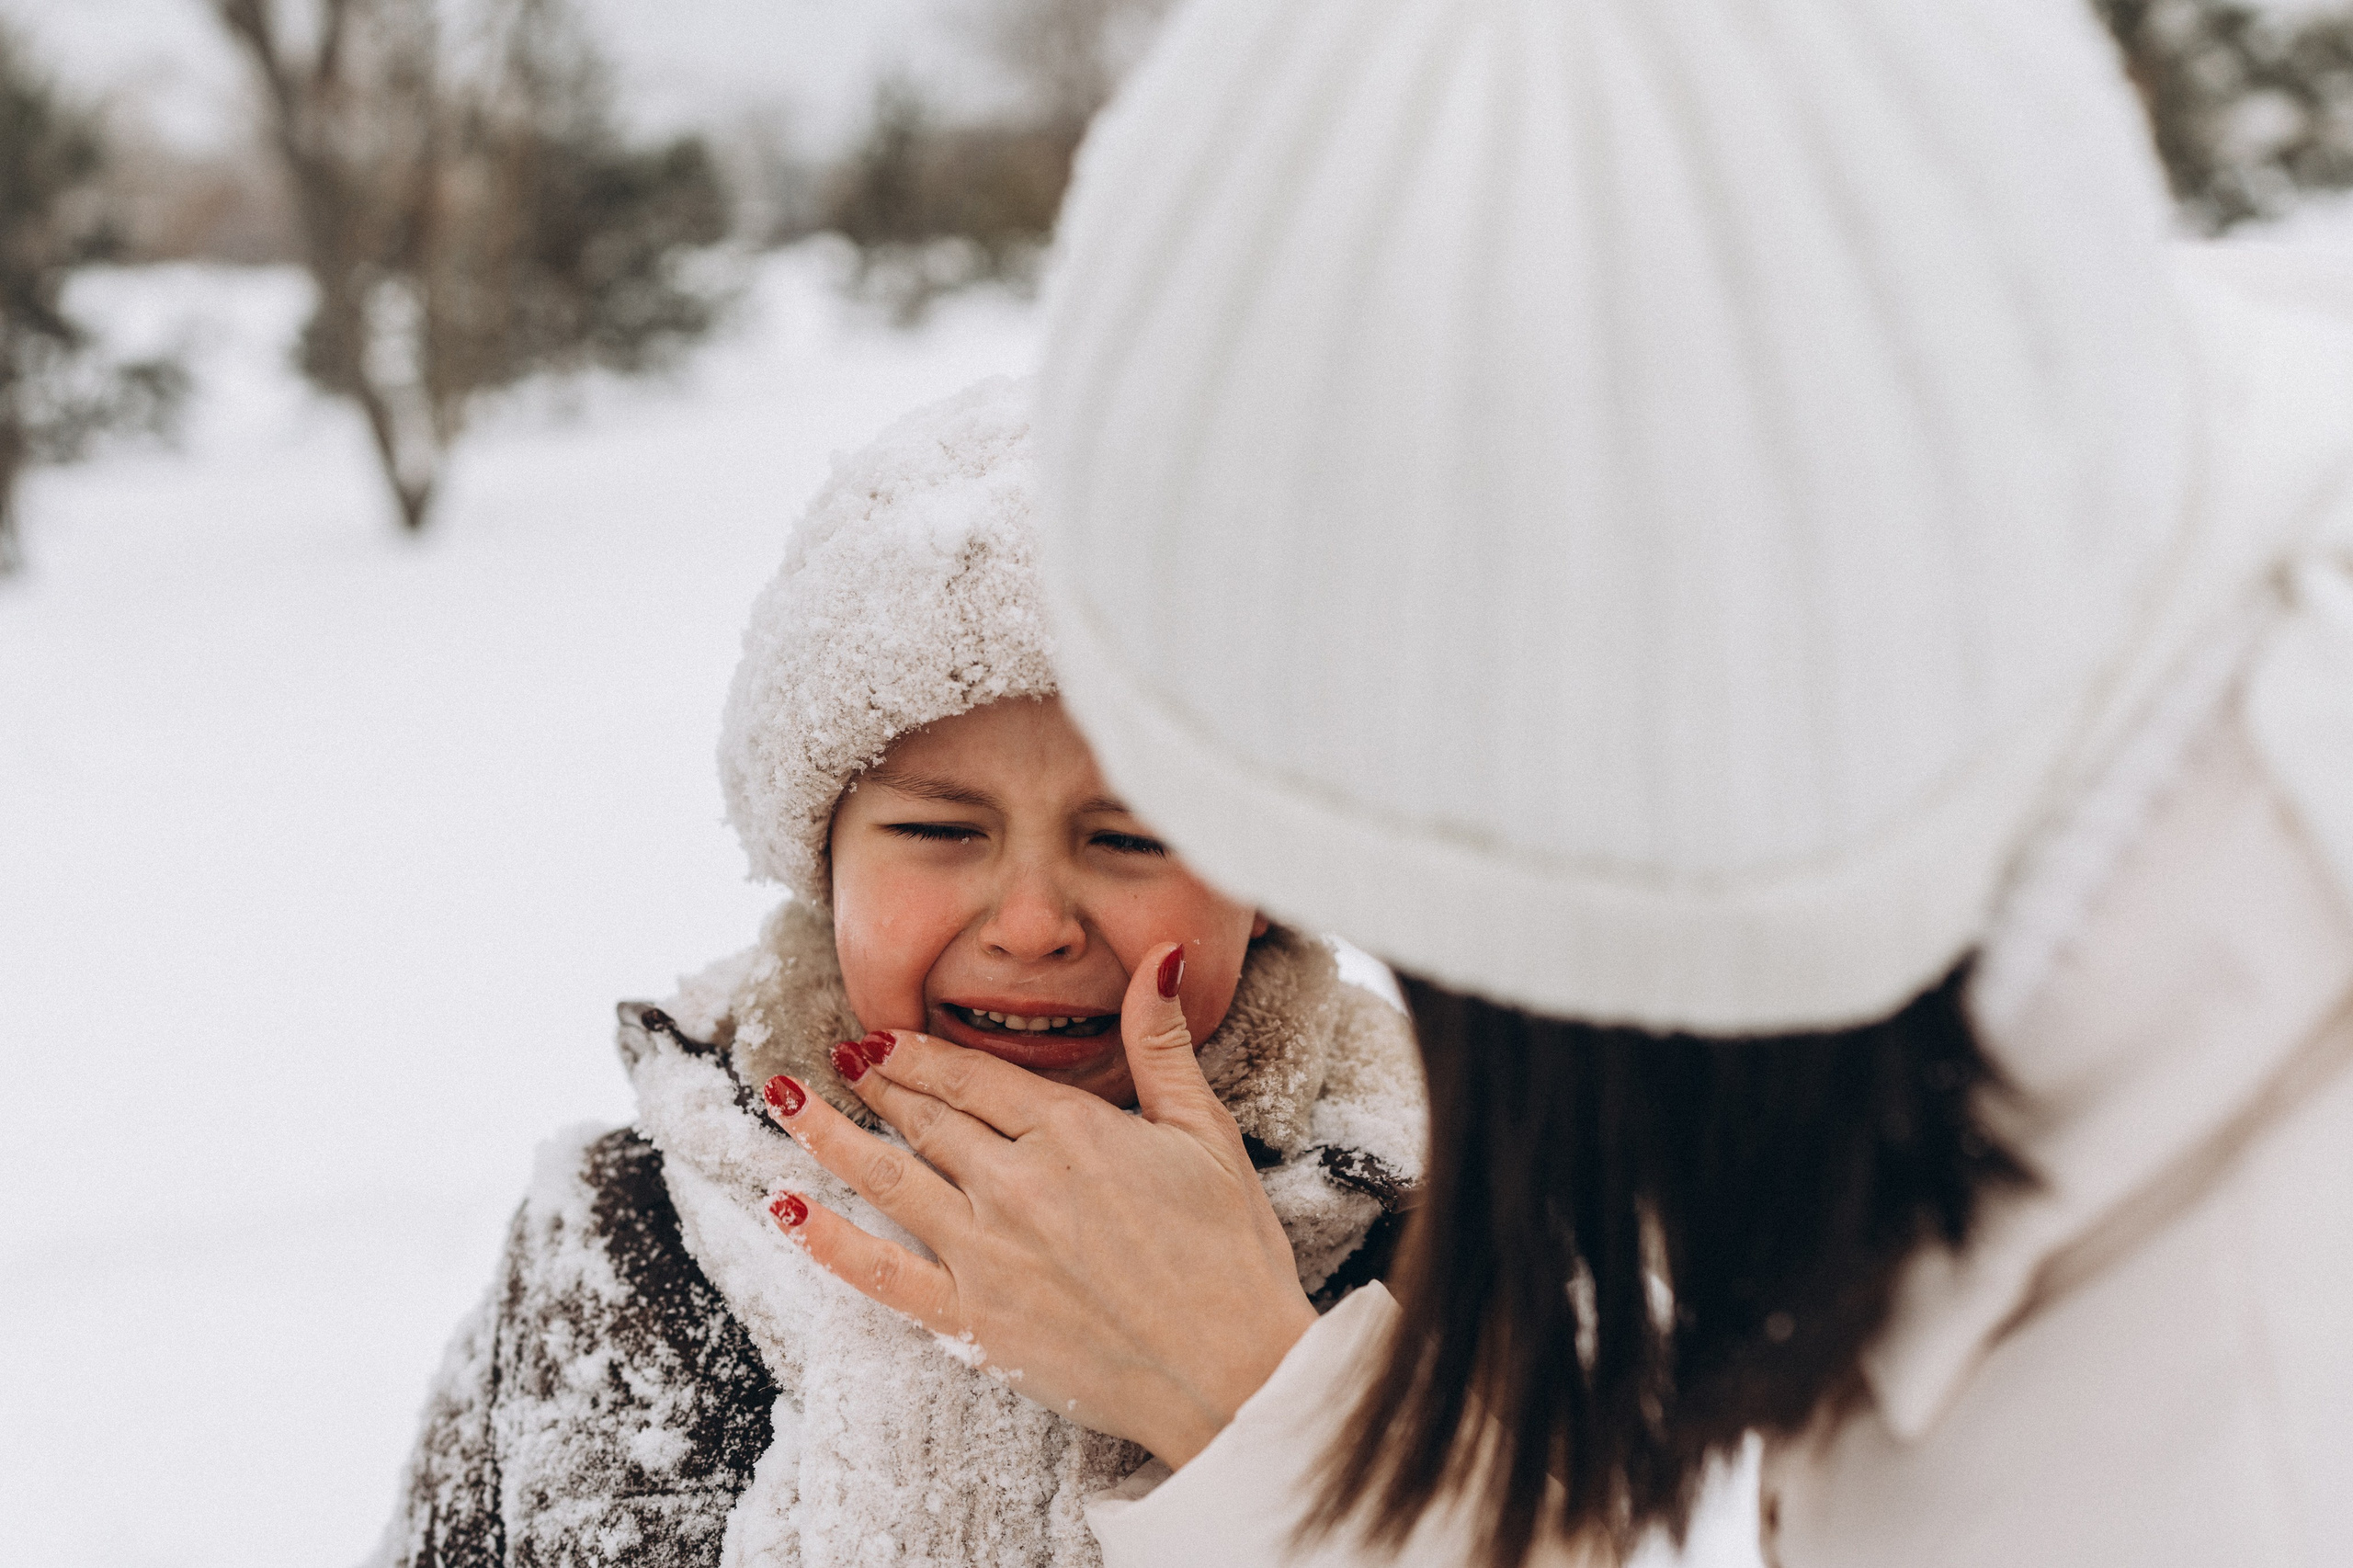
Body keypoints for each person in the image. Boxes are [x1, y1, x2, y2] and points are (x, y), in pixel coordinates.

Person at [756, 1, 2353, 1564]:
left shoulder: (2235, 1428)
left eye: (1151, 828)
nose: (1038, 917)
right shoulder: (2062, 551)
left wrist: (1265, 1420)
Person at [369, 378, 1426, 1568]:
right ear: (823, 862)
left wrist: (1262, 1396)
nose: (1032, 924)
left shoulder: (1451, 1235)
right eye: (940, 830)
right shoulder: (627, 1234)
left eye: (1131, 837)